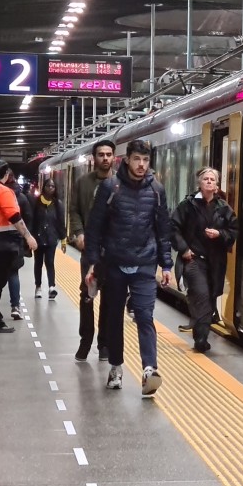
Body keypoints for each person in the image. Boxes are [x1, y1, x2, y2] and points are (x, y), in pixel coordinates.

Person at [84, 140, 175, 393]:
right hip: (114, 263)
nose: (141, 165)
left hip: (145, 263)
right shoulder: (109, 187)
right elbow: (95, 227)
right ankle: (116, 366)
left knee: (145, 316)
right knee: (113, 319)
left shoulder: (156, 189)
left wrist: (166, 265)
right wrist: (93, 262)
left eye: (145, 161)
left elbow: (163, 230)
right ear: (127, 159)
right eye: (137, 159)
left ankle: (149, 369)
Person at [172, 167, 239, 352]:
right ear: (199, 183)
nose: (209, 182)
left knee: (210, 296)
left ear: (217, 185)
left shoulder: (224, 208)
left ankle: (200, 330)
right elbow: (173, 227)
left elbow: (233, 232)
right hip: (194, 260)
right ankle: (201, 339)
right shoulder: (188, 205)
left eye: (212, 179)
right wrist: (184, 249)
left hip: (216, 262)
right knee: (201, 293)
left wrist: (220, 234)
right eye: (206, 179)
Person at [0, 159, 37, 333]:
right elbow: (14, 216)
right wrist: (28, 236)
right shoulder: (2, 191)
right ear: (4, 175)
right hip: (3, 243)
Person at [68, 140, 115, 362]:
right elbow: (74, 209)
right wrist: (78, 232)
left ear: (114, 157)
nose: (105, 158)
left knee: (109, 296)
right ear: (94, 158)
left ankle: (104, 343)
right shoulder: (82, 182)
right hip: (91, 248)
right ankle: (85, 340)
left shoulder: (120, 184)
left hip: (114, 249)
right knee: (87, 294)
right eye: (101, 154)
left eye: (108, 154)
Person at [31, 178, 66, 300]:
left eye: (53, 186)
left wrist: (63, 239)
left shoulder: (58, 204)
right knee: (38, 263)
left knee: (50, 262)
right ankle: (38, 286)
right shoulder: (36, 203)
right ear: (43, 187)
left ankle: (52, 287)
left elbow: (61, 222)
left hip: (51, 238)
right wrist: (30, 237)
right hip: (38, 238)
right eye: (48, 186)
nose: (50, 188)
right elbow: (32, 221)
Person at [6, 171, 33, 320]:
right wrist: (26, 238)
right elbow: (28, 217)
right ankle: (15, 306)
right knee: (13, 273)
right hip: (16, 241)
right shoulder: (21, 197)